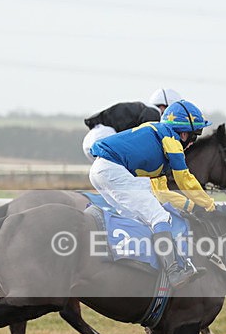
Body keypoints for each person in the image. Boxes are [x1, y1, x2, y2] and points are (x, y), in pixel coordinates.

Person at [89, 99, 215, 288]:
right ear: (183, 133)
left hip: (101, 170)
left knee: (139, 218)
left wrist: (191, 206)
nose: (191, 144)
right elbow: (184, 179)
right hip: (112, 169)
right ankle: (173, 272)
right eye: (194, 136)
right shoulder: (171, 140)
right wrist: (209, 205)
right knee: (159, 217)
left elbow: (162, 194)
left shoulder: (158, 140)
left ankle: (134, 268)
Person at [82, 88, 182, 160]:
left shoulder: (145, 108)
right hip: (104, 136)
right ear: (164, 106)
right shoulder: (154, 112)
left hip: (92, 139)